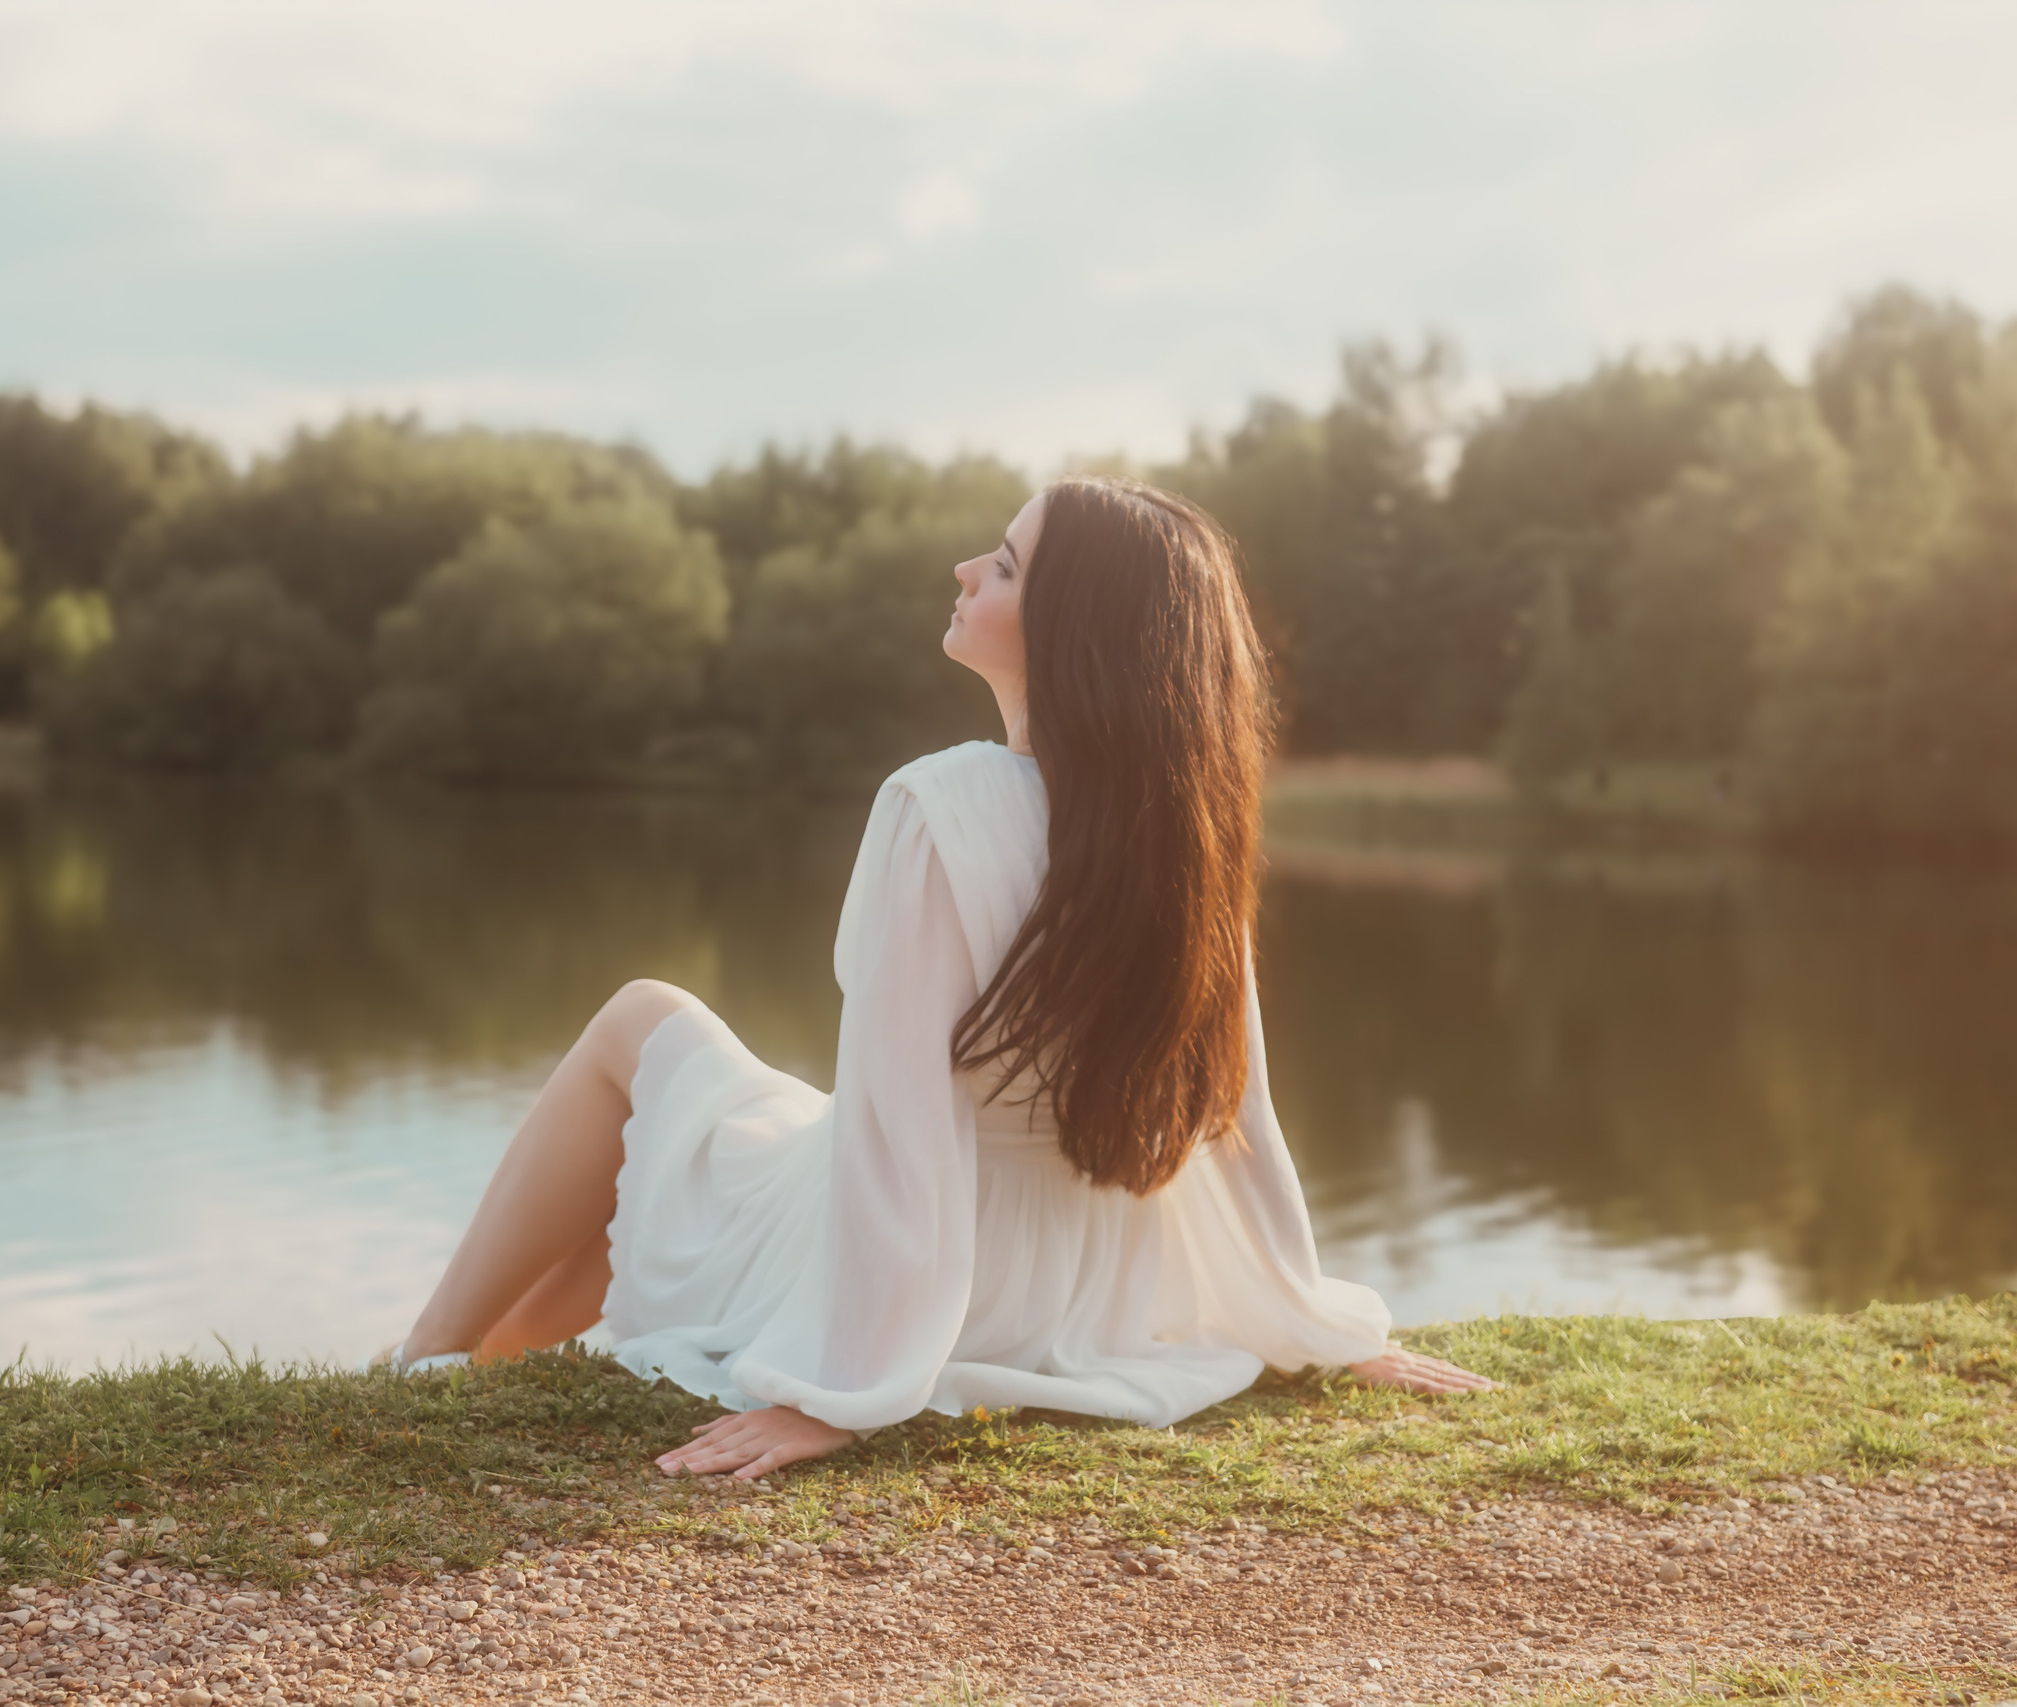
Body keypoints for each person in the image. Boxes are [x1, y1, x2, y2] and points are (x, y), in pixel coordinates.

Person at [375, 477, 1492, 1480]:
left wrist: (847, 1394)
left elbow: (898, 1121)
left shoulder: (938, 803)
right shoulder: (1191, 832)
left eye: (1004, 565)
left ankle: (422, 1355)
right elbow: (1237, 1117)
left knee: (642, 1022)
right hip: (1090, 1285)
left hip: (926, 1293)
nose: (965, 570)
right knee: (677, 1153)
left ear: (1072, 631)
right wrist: (1313, 1324)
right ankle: (464, 1367)